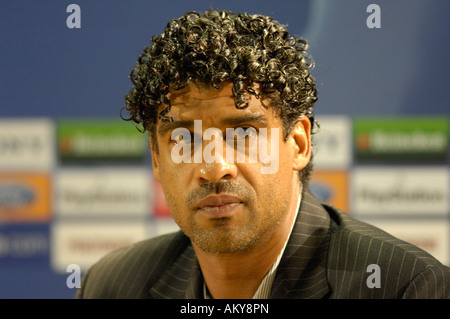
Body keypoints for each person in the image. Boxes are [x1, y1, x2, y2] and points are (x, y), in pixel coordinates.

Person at [76, 9, 450, 299]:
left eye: (242, 134)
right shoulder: (112, 285)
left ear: (299, 143)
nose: (213, 167)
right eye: (184, 139)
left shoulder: (403, 286)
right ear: (157, 160)